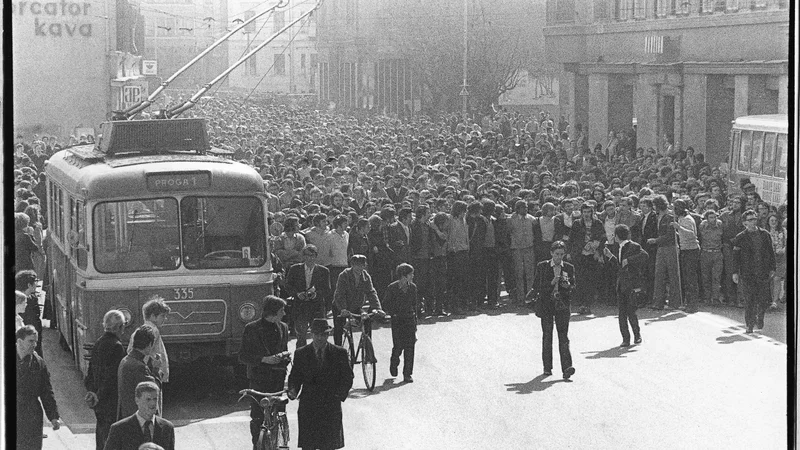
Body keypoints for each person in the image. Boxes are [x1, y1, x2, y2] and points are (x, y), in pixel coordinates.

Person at [287, 318, 354, 450]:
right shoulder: (301, 353)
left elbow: (347, 377)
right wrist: (293, 390)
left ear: (328, 335)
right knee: (309, 444)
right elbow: (295, 376)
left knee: (328, 445)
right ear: (311, 334)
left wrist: (339, 395)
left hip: (330, 405)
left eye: (323, 334)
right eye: (316, 334)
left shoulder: (339, 353)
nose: (319, 338)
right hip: (308, 405)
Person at [238, 296, 291, 450]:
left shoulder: (284, 327)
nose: (284, 314)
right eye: (282, 311)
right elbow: (243, 356)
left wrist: (284, 357)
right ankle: (257, 445)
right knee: (257, 417)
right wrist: (264, 359)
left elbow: (284, 348)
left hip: (278, 378)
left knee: (279, 413)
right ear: (272, 312)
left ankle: (280, 442)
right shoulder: (252, 328)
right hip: (259, 379)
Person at [531, 241, 576, 381]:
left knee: (563, 337)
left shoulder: (568, 267)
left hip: (562, 305)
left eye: (562, 254)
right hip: (547, 305)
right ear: (551, 253)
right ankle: (547, 367)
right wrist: (551, 283)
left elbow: (574, 287)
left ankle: (567, 368)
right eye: (557, 254)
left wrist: (567, 285)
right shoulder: (543, 266)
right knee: (547, 335)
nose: (559, 257)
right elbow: (536, 286)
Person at [85, 310, 128, 450]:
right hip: (110, 402)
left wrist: (93, 392)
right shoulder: (117, 347)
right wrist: (99, 395)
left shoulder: (99, 342)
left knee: (101, 437)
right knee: (111, 440)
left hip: (99, 403)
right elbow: (111, 377)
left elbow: (90, 371)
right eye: (124, 326)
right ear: (120, 327)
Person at [17, 325, 62, 450]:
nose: (34, 344)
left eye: (36, 341)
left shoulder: (39, 363)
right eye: (31, 341)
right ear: (20, 342)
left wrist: (53, 416)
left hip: (32, 417)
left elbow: (46, 391)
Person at [603, 225, 648, 347]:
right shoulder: (618, 247)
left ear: (617, 236)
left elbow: (644, 256)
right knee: (622, 313)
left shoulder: (634, 246)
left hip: (631, 283)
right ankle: (626, 338)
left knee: (631, 311)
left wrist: (629, 260)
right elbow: (619, 265)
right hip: (621, 283)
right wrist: (610, 257)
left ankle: (637, 335)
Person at [732, 210, 776, 334]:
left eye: (754, 219)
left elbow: (770, 252)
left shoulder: (764, 234)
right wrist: (735, 272)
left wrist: (772, 268)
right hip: (747, 273)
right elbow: (735, 256)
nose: (753, 221)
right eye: (750, 220)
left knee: (763, 299)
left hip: (762, 271)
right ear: (745, 223)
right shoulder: (740, 237)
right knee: (749, 299)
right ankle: (749, 324)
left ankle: (760, 317)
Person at [127, 296, 171, 414]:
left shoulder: (140, 330)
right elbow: (146, 354)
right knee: (155, 410)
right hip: (151, 375)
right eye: (162, 316)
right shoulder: (152, 331)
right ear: (152, 316)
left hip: (149, 375)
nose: (165, 319)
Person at [104, 381, 175, 450]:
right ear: (137, 400)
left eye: (155, 399)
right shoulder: (119, 429)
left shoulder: (167, 428)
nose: (152, 403)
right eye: (148, 399)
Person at [332, 254, 384, 346]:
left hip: (356, 306)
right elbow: (340, 294)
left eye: (362, 265)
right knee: (339, 327)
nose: (360, 267)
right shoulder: (344, 275)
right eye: (357, 265)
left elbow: (371, 292)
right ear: (352, 265)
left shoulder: (366, 276)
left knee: (367, 321)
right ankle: (338, 351)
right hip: (340, 306)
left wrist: (378, 308)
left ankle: (368, 349)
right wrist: (343, 309)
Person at [286, 244, 332, 347]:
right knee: (301, 336)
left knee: (319, 336)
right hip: (300, 307)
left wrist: (316, 295)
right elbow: (288, 286)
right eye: (307, 255)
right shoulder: (294, 269)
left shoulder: (324, 271)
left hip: (317, 307)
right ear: (303, 256)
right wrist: (297, 294)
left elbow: (327, 290)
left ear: (316, 256)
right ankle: (301, 360)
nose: (310, 258)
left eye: (312, 255)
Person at [383, 263, 418, 382]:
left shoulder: (413, 287)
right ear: (403, 275)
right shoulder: (392, 288)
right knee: (398, 346)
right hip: (397, 321)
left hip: (409, 319)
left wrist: (415, 323)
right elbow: (386, 303)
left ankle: (407, 373)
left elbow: (415, 305)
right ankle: (394, 361)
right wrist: (393, 312)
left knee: (410, 347)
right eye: (410, 274)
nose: (412, 276)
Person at [117, 325, 158, 421]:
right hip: (137, 418)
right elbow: (153, 388)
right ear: (149, 345)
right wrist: (156, 370)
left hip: (126, 414)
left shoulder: (125, 360)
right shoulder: (139, 367)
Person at [648, 195, 681, 310]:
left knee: (673, 275)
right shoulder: (658, 216)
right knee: (659, 274)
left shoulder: (670, 216)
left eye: (655, 205)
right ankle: (658, 302)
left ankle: (675, 302)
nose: (654, 208)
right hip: (661, 248)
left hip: (670, 247)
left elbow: (670, 235)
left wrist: (655, 240)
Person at [672, 199, 700, 313]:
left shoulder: (687, 219)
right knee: (686, 277)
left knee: (690, 278)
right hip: (684, 249)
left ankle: (693, 304)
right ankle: (688, 301)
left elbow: (691, 234)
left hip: (691, 250)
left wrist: (679, 228)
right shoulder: (681, 218)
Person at [698, 209, 724, 305]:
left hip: (717, 253)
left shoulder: (720, 225)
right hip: (705, 252)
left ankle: (716, 298)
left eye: (715, 217)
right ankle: (707, 297)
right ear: (707, 218)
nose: (714, 219)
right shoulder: (703, 226)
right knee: (706, 276)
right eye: (711, 217)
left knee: (716, 276)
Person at [17, 269, 44, 357]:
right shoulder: (19, 303)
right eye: (35, 281)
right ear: (29, 285)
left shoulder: (33, 298)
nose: (37, 283)